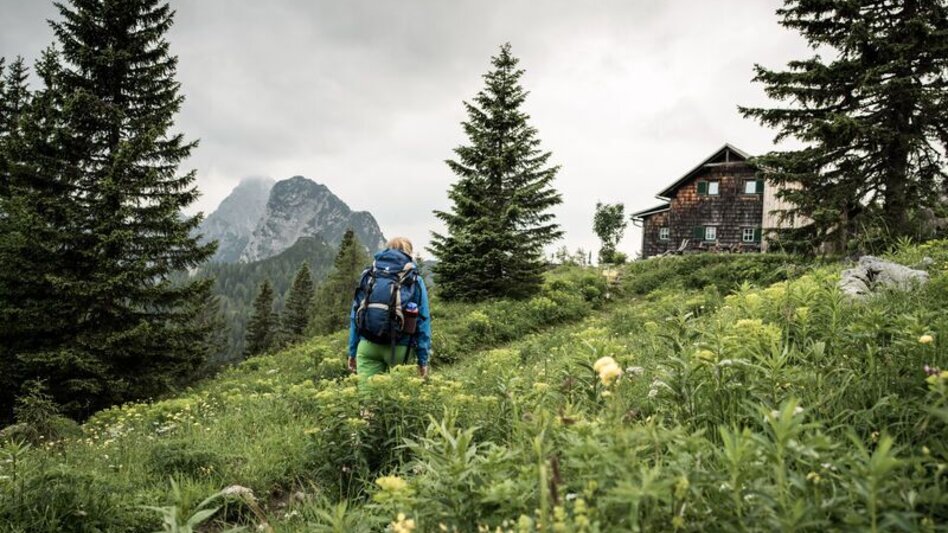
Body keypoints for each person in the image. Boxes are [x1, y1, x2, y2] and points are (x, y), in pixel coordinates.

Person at [347, 237, 431, 379]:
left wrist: (352, 351)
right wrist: (423, 360)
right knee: (397, 396)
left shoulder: (369, 275)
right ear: (408, 253)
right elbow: (423, 320)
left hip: (367, 345)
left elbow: (355, 315)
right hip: (400, 348)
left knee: (367, 398)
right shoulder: (414, 279)